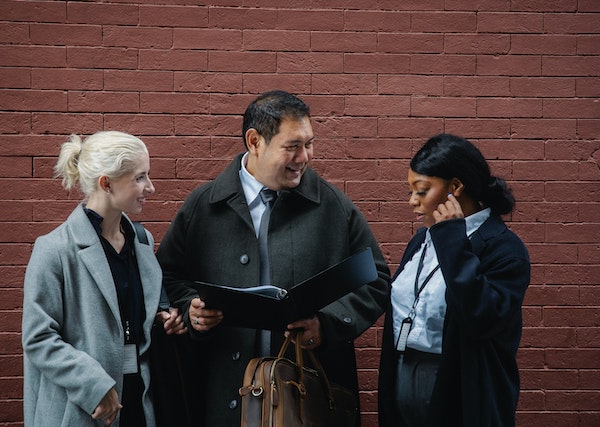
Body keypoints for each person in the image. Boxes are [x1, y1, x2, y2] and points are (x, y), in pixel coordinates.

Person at [156, 90, 391, 426]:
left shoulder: (332, 207)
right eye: (292, 146)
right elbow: (167, 276)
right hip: (224, 394)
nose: (305, 156)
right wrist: (192, 309)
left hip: (304, 399)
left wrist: (327, 324)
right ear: (255, 142)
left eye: (309, 143)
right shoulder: (203, 206)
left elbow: (377, 279)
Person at [22, 131, 186, 427]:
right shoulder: (55, 249)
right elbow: (38, 338)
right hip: (83, 407)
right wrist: (95, 385)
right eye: (139, 177)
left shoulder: (141, 241)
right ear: (106, 183)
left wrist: (158, 318)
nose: (150, 186)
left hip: (139, 398)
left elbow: (127, 316)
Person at [377, 133, 531, 426]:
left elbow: (480, 316)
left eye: (421, 190)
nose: (412, 201)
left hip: (458, 386)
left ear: (456, 187)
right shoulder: (423, 238)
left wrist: (452, 240)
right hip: (402, 372)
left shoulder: (504, 249)